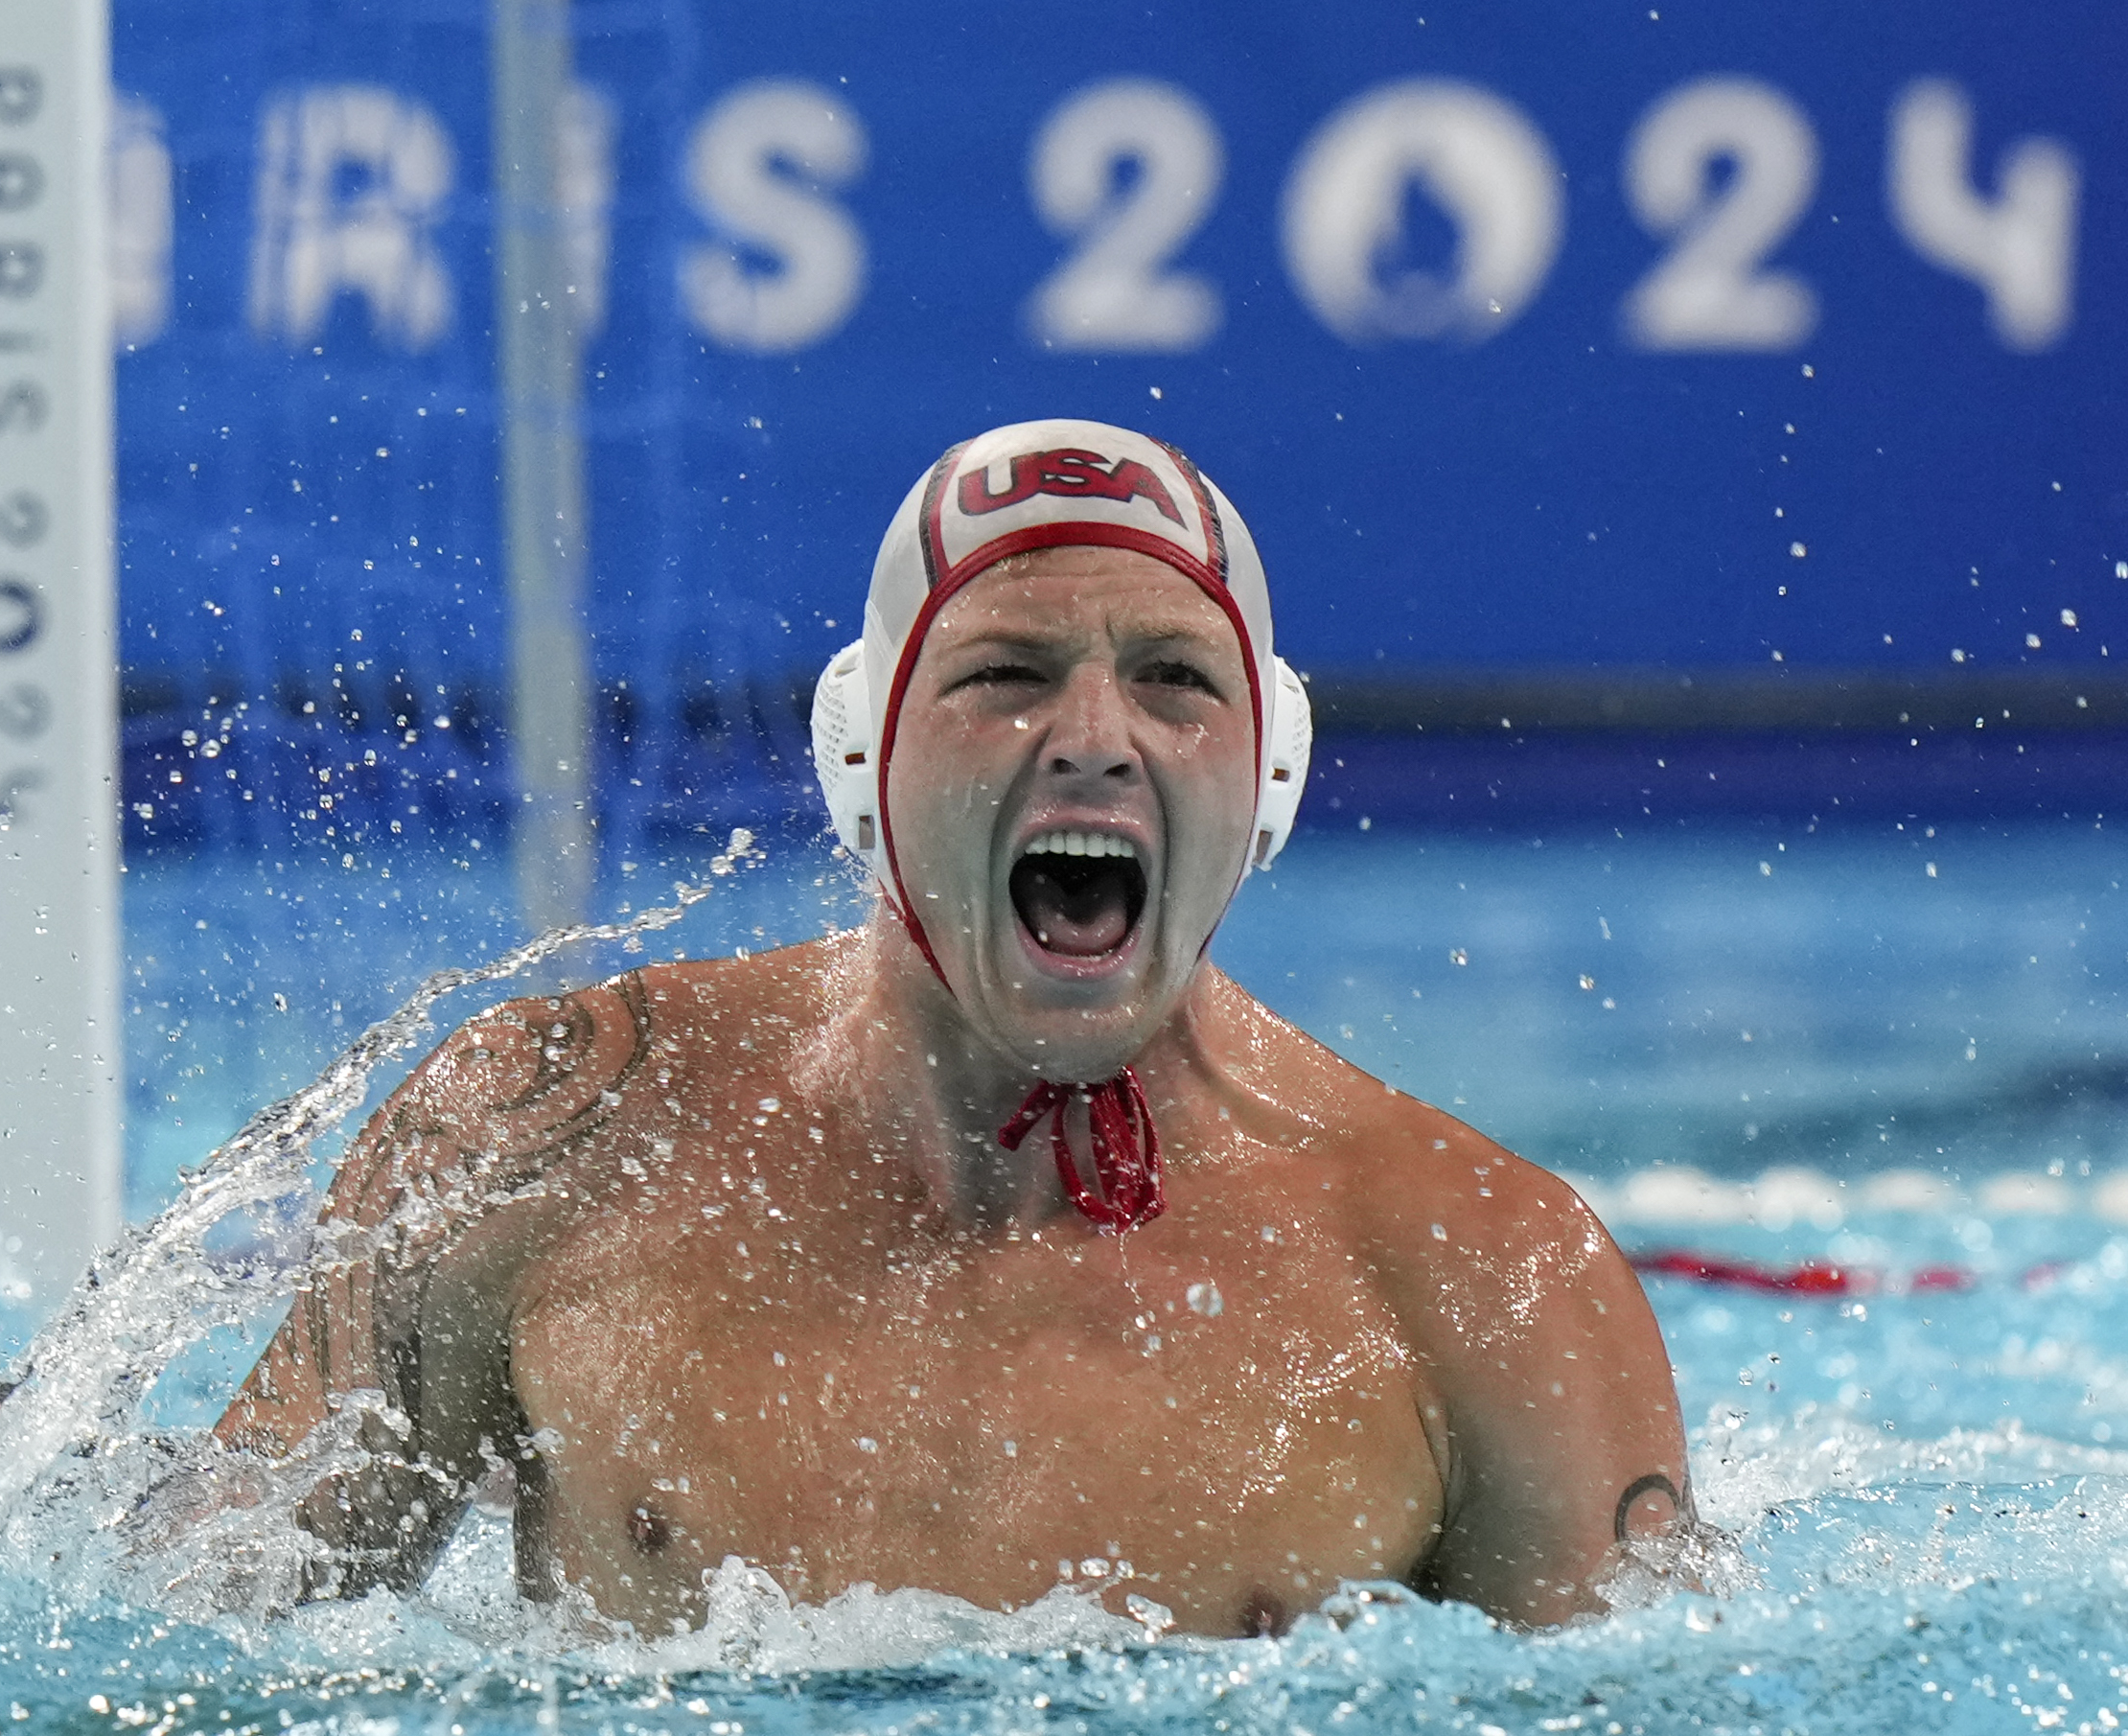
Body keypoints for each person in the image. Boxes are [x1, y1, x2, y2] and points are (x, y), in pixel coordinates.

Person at [199, 419, 1693, 1635]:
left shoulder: (1487, 1280)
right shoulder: (556, 1131)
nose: (1098, 738)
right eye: (1007, 676)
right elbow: (194, 1645)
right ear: (866, 750)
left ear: (1271, 770)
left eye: (1176, 679)